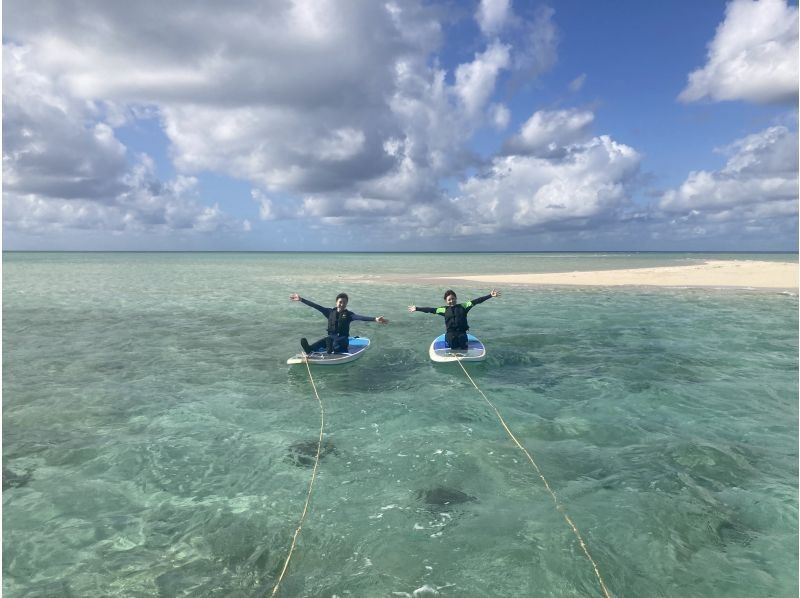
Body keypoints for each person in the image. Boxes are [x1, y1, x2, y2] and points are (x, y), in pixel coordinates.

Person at [290, 292, 388, 354]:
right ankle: (309, 348)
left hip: (343, 340)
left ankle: (330, 349)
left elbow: (361, 317)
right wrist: (301, 299)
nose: (342, 304)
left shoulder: (349, 315)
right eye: (340, 302)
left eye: (344, 303)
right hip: (331, 338)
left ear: (346, 304)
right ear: (336, 302)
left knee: (335, 342)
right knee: (324, 341)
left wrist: (375, 319)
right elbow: (316, 306)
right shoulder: (329, 312)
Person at [408, 289, 501, 350]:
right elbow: (430, 310)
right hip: (450, 334)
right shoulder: (443, 309)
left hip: (462, 333)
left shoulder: (464, 306)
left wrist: (490, 295)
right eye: (449, 299)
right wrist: (417, 308)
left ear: (456, 298)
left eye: (453, 298)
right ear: (446, 301)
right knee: (452, 343)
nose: (451, 301)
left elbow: (477, 301)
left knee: (462, 343)